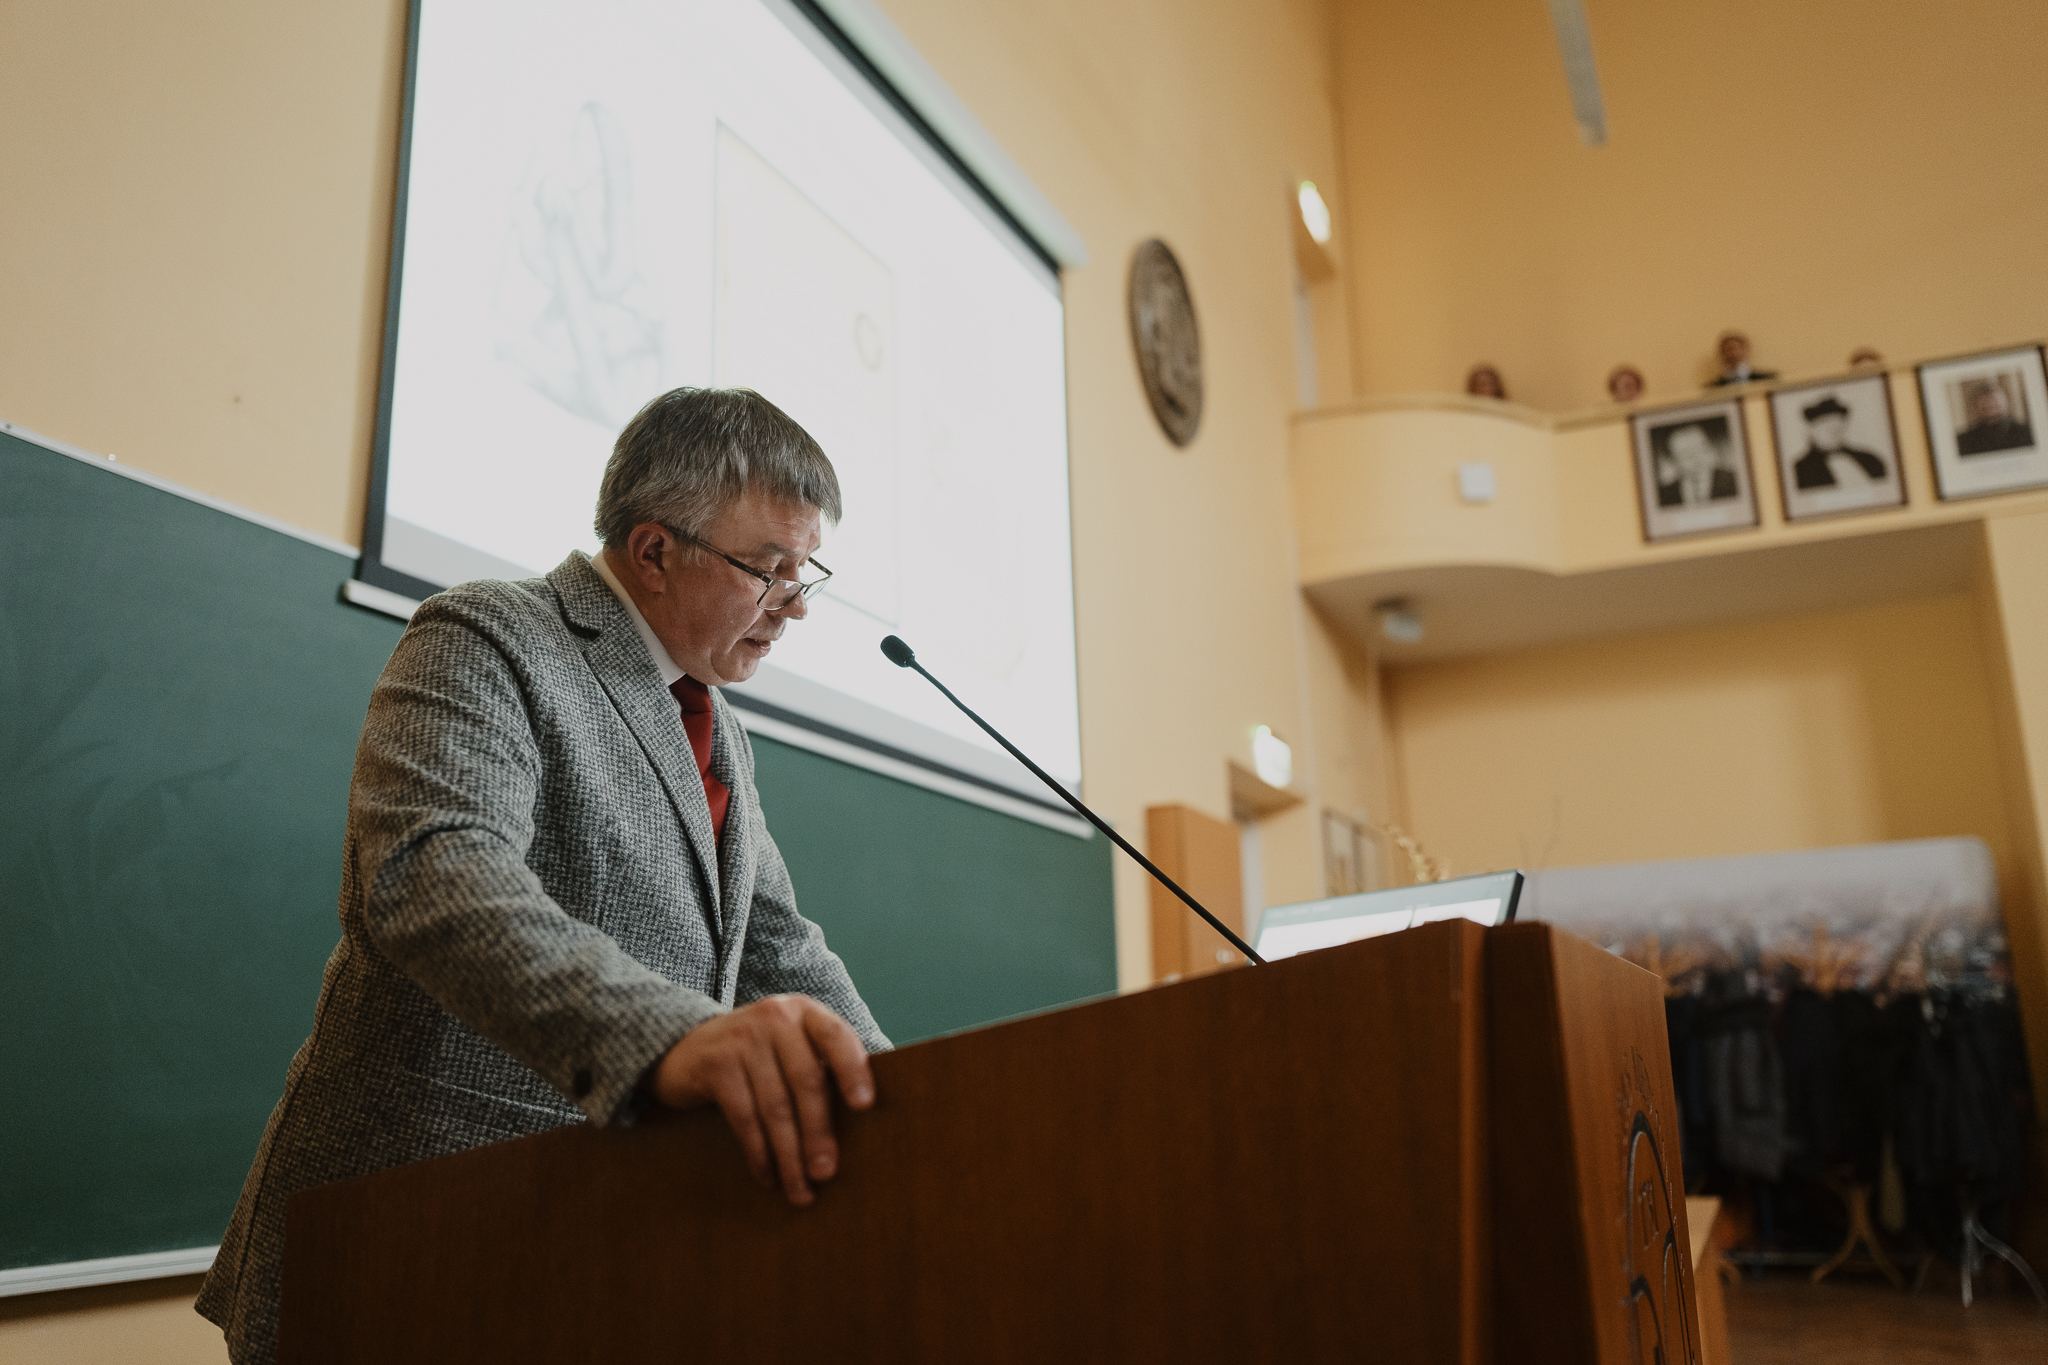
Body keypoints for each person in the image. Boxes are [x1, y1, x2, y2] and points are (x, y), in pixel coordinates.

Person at [197, 388, 888, 1365]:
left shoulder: (713, 722)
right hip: (405, 1232)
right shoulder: (490, 632)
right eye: (768, 570)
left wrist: (900, 1101)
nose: (795, 604)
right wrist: (670, 1038)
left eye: (803, 571)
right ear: (654, 551)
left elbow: (778, 946)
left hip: (584, 1241)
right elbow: (432, 869)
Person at [1791, 395, 1887, 489]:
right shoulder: (1800, 469)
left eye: (1838, 427)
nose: (1834, 433)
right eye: (1827, 427)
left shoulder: (1869, 459)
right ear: (1812, 430)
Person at [1656, 423, 1738, 506]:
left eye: (1699, 450)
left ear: (1709, 448)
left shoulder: (1734, 481)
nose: (1696, 460)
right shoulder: (1662, 496)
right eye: (1686, 455)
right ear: (1673, 460)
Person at [1955, 378, 2035, 455]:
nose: (1990, 405)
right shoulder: (1963, 440)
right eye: (1983, 405)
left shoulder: (2028, 432)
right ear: (1974, 408)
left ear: (2008, 403)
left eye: (1995, 402)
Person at [1707, 330, 1777, 387]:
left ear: (1745, 351)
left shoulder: (1767, 379)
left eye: (1736, 348)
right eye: (1728, 350)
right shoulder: (1713, 388)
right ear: (1721, 355)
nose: (1733, 353)